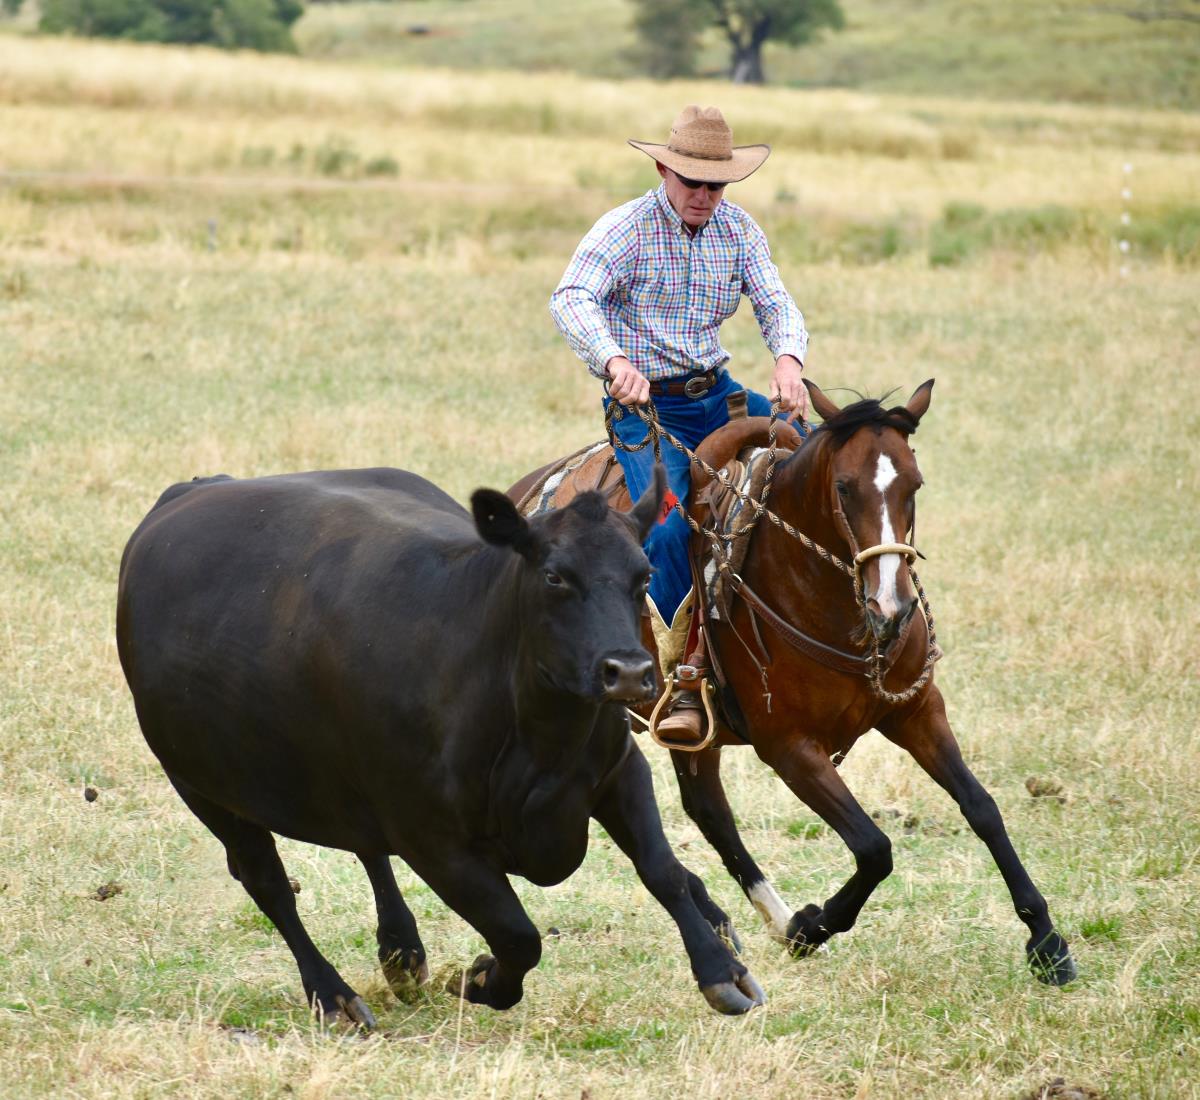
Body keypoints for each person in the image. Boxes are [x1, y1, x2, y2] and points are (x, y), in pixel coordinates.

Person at [549, 104, 810, 743]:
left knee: (819, 463)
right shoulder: (626, 228)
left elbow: (775, 300)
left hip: (718, 395)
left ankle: (839, 623)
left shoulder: (739, 229)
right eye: (692, 181)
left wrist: (788, 360)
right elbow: (571, 297)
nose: (703, 195)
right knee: (666, 524)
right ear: (664, 171)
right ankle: (678, 682)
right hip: (647, 407)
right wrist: (614, 360)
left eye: (716, 185)